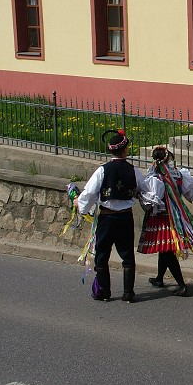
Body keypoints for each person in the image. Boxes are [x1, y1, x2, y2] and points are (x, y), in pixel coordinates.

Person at [75, 129, 148, 303]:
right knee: (127, 255)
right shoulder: (134, 171)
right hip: (125, 218)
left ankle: (104, 292)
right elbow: (146, 190)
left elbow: (89, 192)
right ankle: (128, 293)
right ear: (125, 150)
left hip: (107, 218)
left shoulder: (102, 170)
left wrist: (82, 207)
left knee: (102, 254)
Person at [137, 146, 193, 297]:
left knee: (167, 250)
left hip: (163, 217)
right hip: (176, 215)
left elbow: (151, 199)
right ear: (169, 158)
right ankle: (159, 278)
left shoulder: (155, 177)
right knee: (165, 249)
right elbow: (191, 191)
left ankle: (181, 284)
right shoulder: (178, 174)